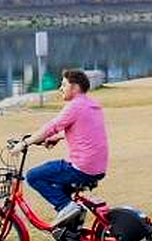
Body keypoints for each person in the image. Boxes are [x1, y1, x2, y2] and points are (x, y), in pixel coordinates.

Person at [24, 70, 109, 231]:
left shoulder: (75, 106)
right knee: (61, 190)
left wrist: (25, 143)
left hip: (81, 167)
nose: (60, 88)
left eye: (63, 85)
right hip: (98, 167)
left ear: (75, 87)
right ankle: (72, 228)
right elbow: (85, 130)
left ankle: (66, 206)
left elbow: (52, 126)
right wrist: (58, 137)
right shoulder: (91, 105)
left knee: (33, 176)